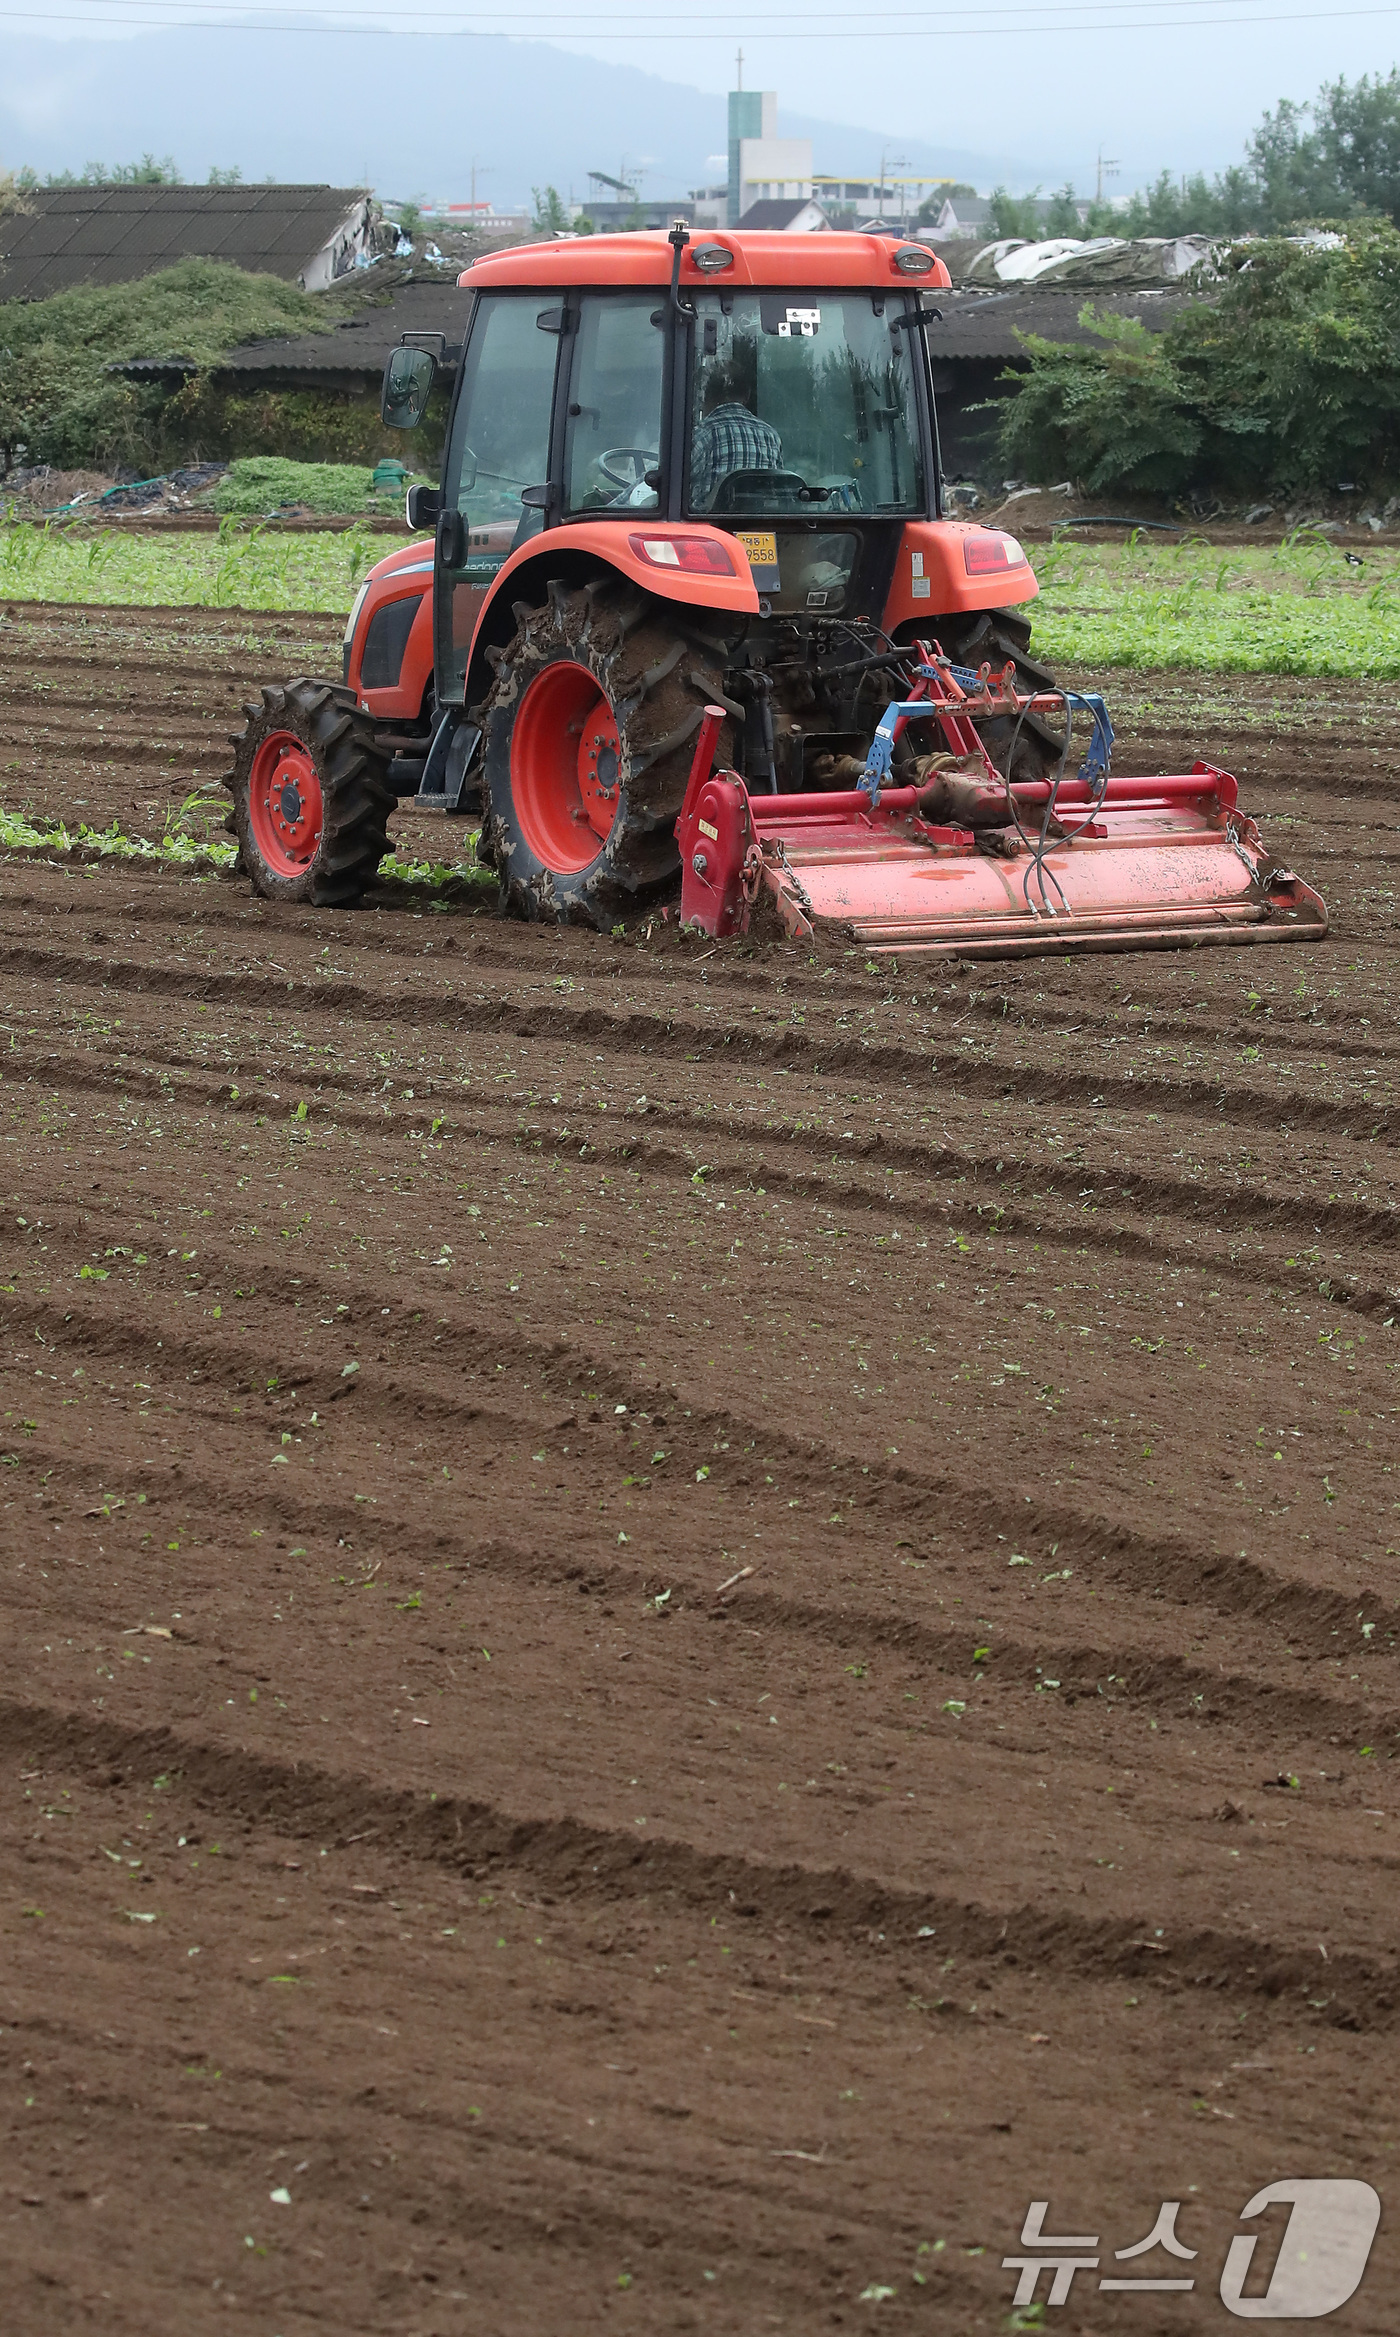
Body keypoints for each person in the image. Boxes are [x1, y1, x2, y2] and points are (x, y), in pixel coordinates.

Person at [689, 358, 783, 511]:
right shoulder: (771, 435)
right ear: (747, 395)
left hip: (711, 527)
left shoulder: (704, 433)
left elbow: (674, 482)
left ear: (706, 396)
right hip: (759, 526)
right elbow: (777, 489)